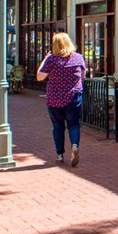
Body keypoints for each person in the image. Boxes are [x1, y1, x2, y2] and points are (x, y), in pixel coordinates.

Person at [36, 32, 86, 166]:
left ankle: (59, 155)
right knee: (74, 124)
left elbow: (39, 77)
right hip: (73, 97)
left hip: (55, 98)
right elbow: (82, 76)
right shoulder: (78, 58)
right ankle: (74, 145)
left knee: (58, 127)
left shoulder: (51, 59)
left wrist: (44, 60)